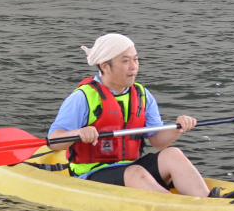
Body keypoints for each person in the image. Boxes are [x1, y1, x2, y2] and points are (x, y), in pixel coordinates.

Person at [47, 33, 211, 198]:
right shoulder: (82, 97)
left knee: (173, 153)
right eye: (125, 61)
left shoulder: (142, 95)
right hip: (92, 174)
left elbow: (157, 141)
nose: (133, 66)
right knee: (135, 172)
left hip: (131, 168)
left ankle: (208, 202)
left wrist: (178, 128)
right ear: (105, 66)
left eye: (136, 59)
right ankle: (181, 209)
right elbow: (54, 140)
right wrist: (78, 133)